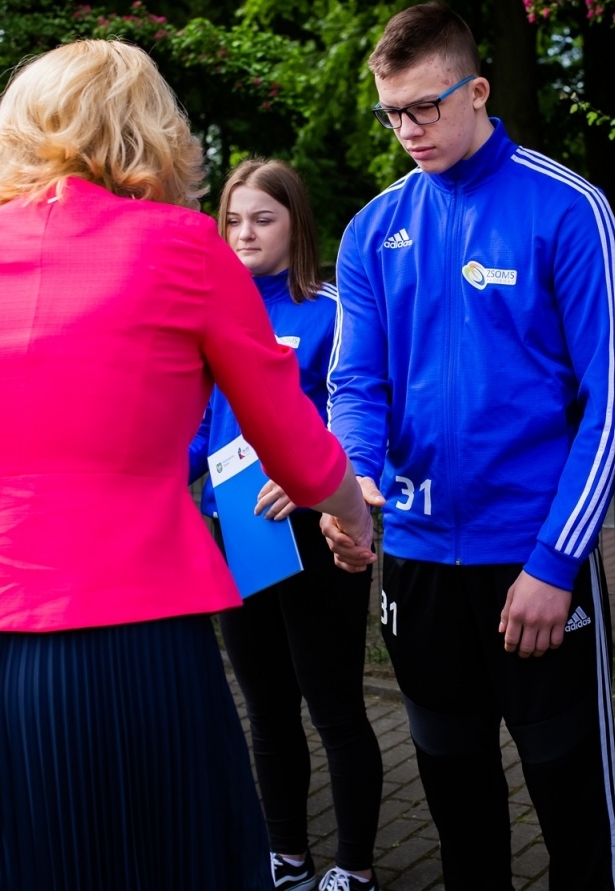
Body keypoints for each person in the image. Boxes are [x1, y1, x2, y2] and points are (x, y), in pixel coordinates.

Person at [0, 39, 374, 889]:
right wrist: (353, 514)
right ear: (153, 133)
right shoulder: (184, 245)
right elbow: (292, 440)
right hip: (132, 636)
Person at [325, 2, 615, 891]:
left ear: (479, 90)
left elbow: (608, 406)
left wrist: (555, 561)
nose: (408, 131)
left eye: (425, 107)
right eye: (391, 113)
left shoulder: (568, 208)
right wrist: (354, 485)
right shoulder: (372, 229)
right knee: (459, 809)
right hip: (418, 565)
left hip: (534, 566)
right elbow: (357, 384)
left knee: (571, 804)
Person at [188, 158, 383, 891]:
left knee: (333, 708)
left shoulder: (331, 312)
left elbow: (360, 420)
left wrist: (311, 481)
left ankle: (354, 868)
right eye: (233, 219)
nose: (244, 233)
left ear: (295, 224)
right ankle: (288, 857)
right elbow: (197, 428)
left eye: (262, 219)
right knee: (266, 710)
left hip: (316, 533)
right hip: (235, 534)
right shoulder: (211, 314)